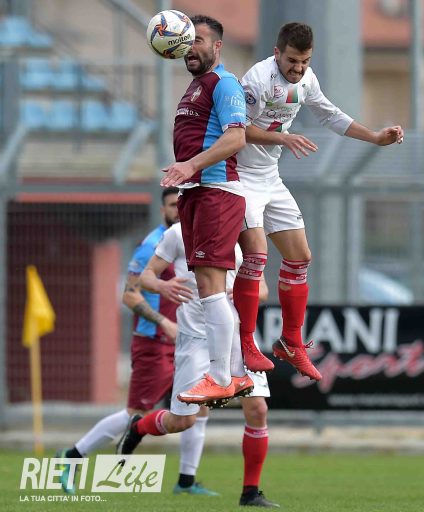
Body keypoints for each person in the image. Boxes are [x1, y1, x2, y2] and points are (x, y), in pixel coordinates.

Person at [233, 22, 404, 381]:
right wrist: (284, 139)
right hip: (242, 177)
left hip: (270, 177)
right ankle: (246, 341)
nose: (298, 69)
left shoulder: (307, 80)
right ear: (277, 53)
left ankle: (290, 342)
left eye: (305, 61)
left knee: (300, 257)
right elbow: (238, 130)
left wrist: (375, 137)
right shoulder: (257, 80)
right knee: (257, 256)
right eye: (292, 61)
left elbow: (329, 114)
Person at [56, 188, 217, 496]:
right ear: (162, 210)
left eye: (182, 205)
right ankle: (72, 456)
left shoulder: (190, 241)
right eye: (172, 205)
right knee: (135, 413)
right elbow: (129, 295)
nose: (178, 210)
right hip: (155, 341)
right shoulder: (153, 246)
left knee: (199, 408)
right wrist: (164, 323)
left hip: (187, 341)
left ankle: (186, 481)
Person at [117, 221, 278, 508]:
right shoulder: (179, 233)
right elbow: (146, 277)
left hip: (238, 336)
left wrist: (247, 292)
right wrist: (163, 285)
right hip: (196, 339)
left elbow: (263, 289)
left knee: (258, 409)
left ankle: (250, 492)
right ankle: (139, 427)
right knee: (183, 420)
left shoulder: (242, 232)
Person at [159, 14, 249, 405]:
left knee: (212, 290)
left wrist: (191, 165)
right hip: (196, 193)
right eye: (186, 40)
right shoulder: (195, 87)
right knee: (209, 290)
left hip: (217, 191)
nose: (190, 47)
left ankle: (221, 376)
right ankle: (236, 374)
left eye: (198, 40)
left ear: (217, 46)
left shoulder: (223, 83)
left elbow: (237, 138)